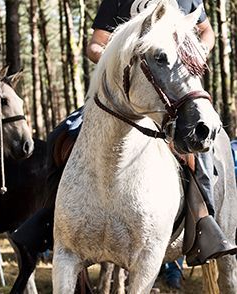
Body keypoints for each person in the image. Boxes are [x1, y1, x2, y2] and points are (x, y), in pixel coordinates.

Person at [86, 0, 237, 266]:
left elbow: (207, 31)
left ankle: (205, 222)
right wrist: (118, 58)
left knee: (200, 149)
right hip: (121, 96)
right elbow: (95, 44)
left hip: (175, 96)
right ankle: (51, 219)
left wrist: (198, 50)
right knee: (65, 135)